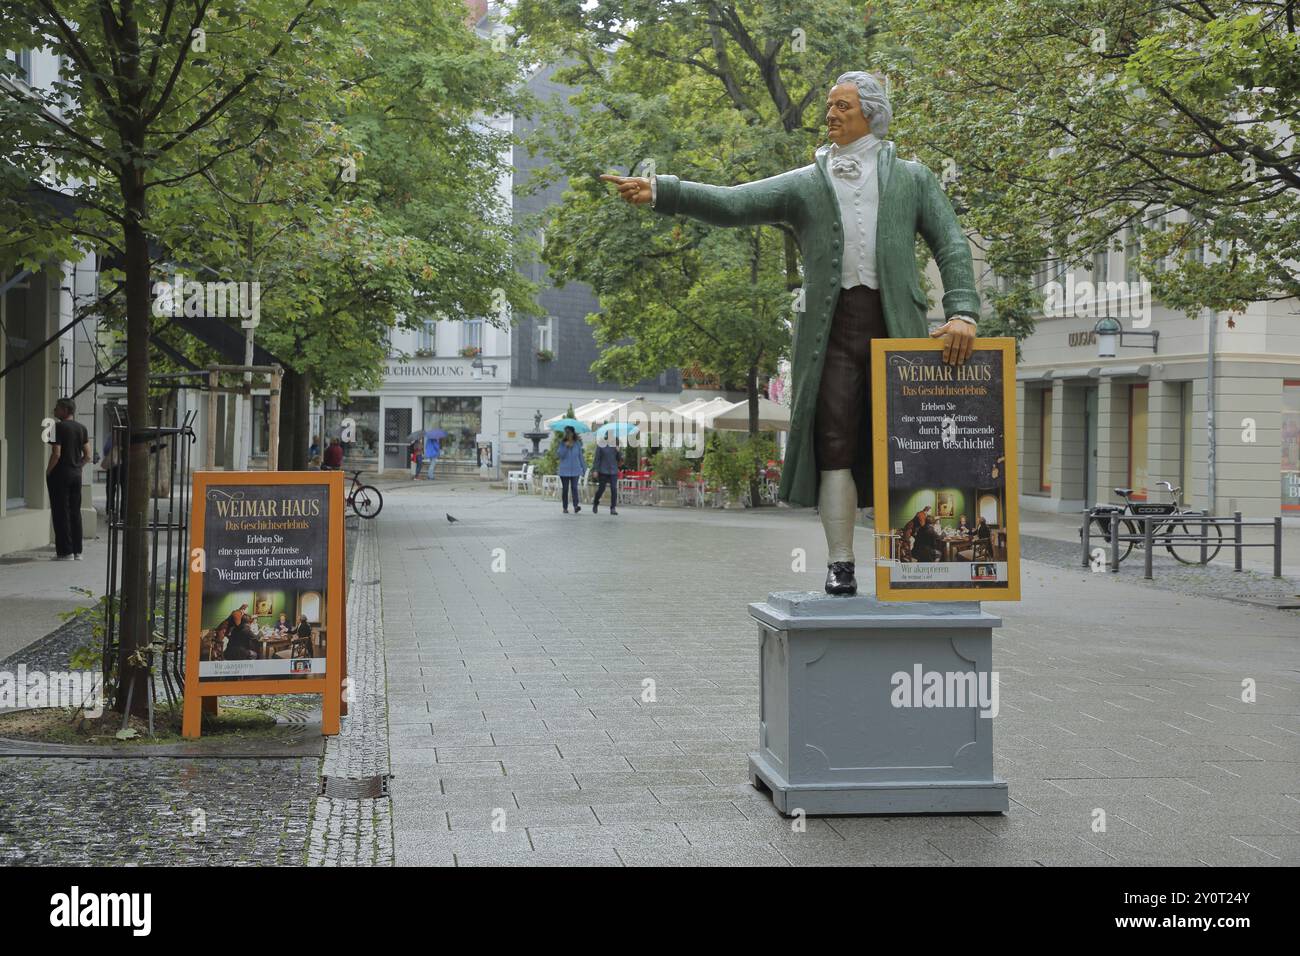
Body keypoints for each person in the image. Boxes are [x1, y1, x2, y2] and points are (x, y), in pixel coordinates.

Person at [603, 71, 979, 596]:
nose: (831, 114)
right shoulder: (806, 181)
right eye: (829, 105)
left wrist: (962, 311)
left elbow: (953, 245)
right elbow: (734, 203)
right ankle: (841, 562)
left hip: (899, 330)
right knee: (835, 442)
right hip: (832, 333)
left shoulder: (914, 179)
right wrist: (665, 191)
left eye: (842, 106)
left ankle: (917, 566)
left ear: (871, 112)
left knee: (910, 441)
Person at [46, 397, 91, 561]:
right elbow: (88, 455)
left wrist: (49, 470)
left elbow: (56, 453)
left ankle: (65, 552)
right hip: (76, 474)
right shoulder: (82, 428)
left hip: (60, 475)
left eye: (57, 408)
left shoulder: (56, 427)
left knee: (60, 511)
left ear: (65, 410)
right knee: (75, 511)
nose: (54, 411)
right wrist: (77, 466)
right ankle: (77, 551)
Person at [555, 426, 585, 514]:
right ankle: (565, 507)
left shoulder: (577, 443)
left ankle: (576, 506)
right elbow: (560, 455)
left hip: (575, 470)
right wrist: (566, 447)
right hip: (564, 470)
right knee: (565, 489)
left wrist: (584, 468)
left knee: (574, 488)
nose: (567, 434)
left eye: (569, 432)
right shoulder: (562, 443)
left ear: (573, 433)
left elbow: (580, 457)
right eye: (566, 432)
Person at [591, 436, 622, 515]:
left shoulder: (616, 444)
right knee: (601, 489)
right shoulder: (601, 445)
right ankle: (595, 502)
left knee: (614, 489)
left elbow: (619, 459)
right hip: (603, 471)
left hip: (613, 471)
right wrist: (595, 470)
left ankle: (613, 508)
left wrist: (618, 451)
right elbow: (597, 459)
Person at [99, 431, 124, 517]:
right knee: (111, 490)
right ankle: (112, 512)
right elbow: (106, 450)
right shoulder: (113, 435)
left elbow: (106, 450)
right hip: (114, 466)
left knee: (112, 490)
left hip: (118, 467)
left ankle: (112, 512)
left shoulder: (115, 435)